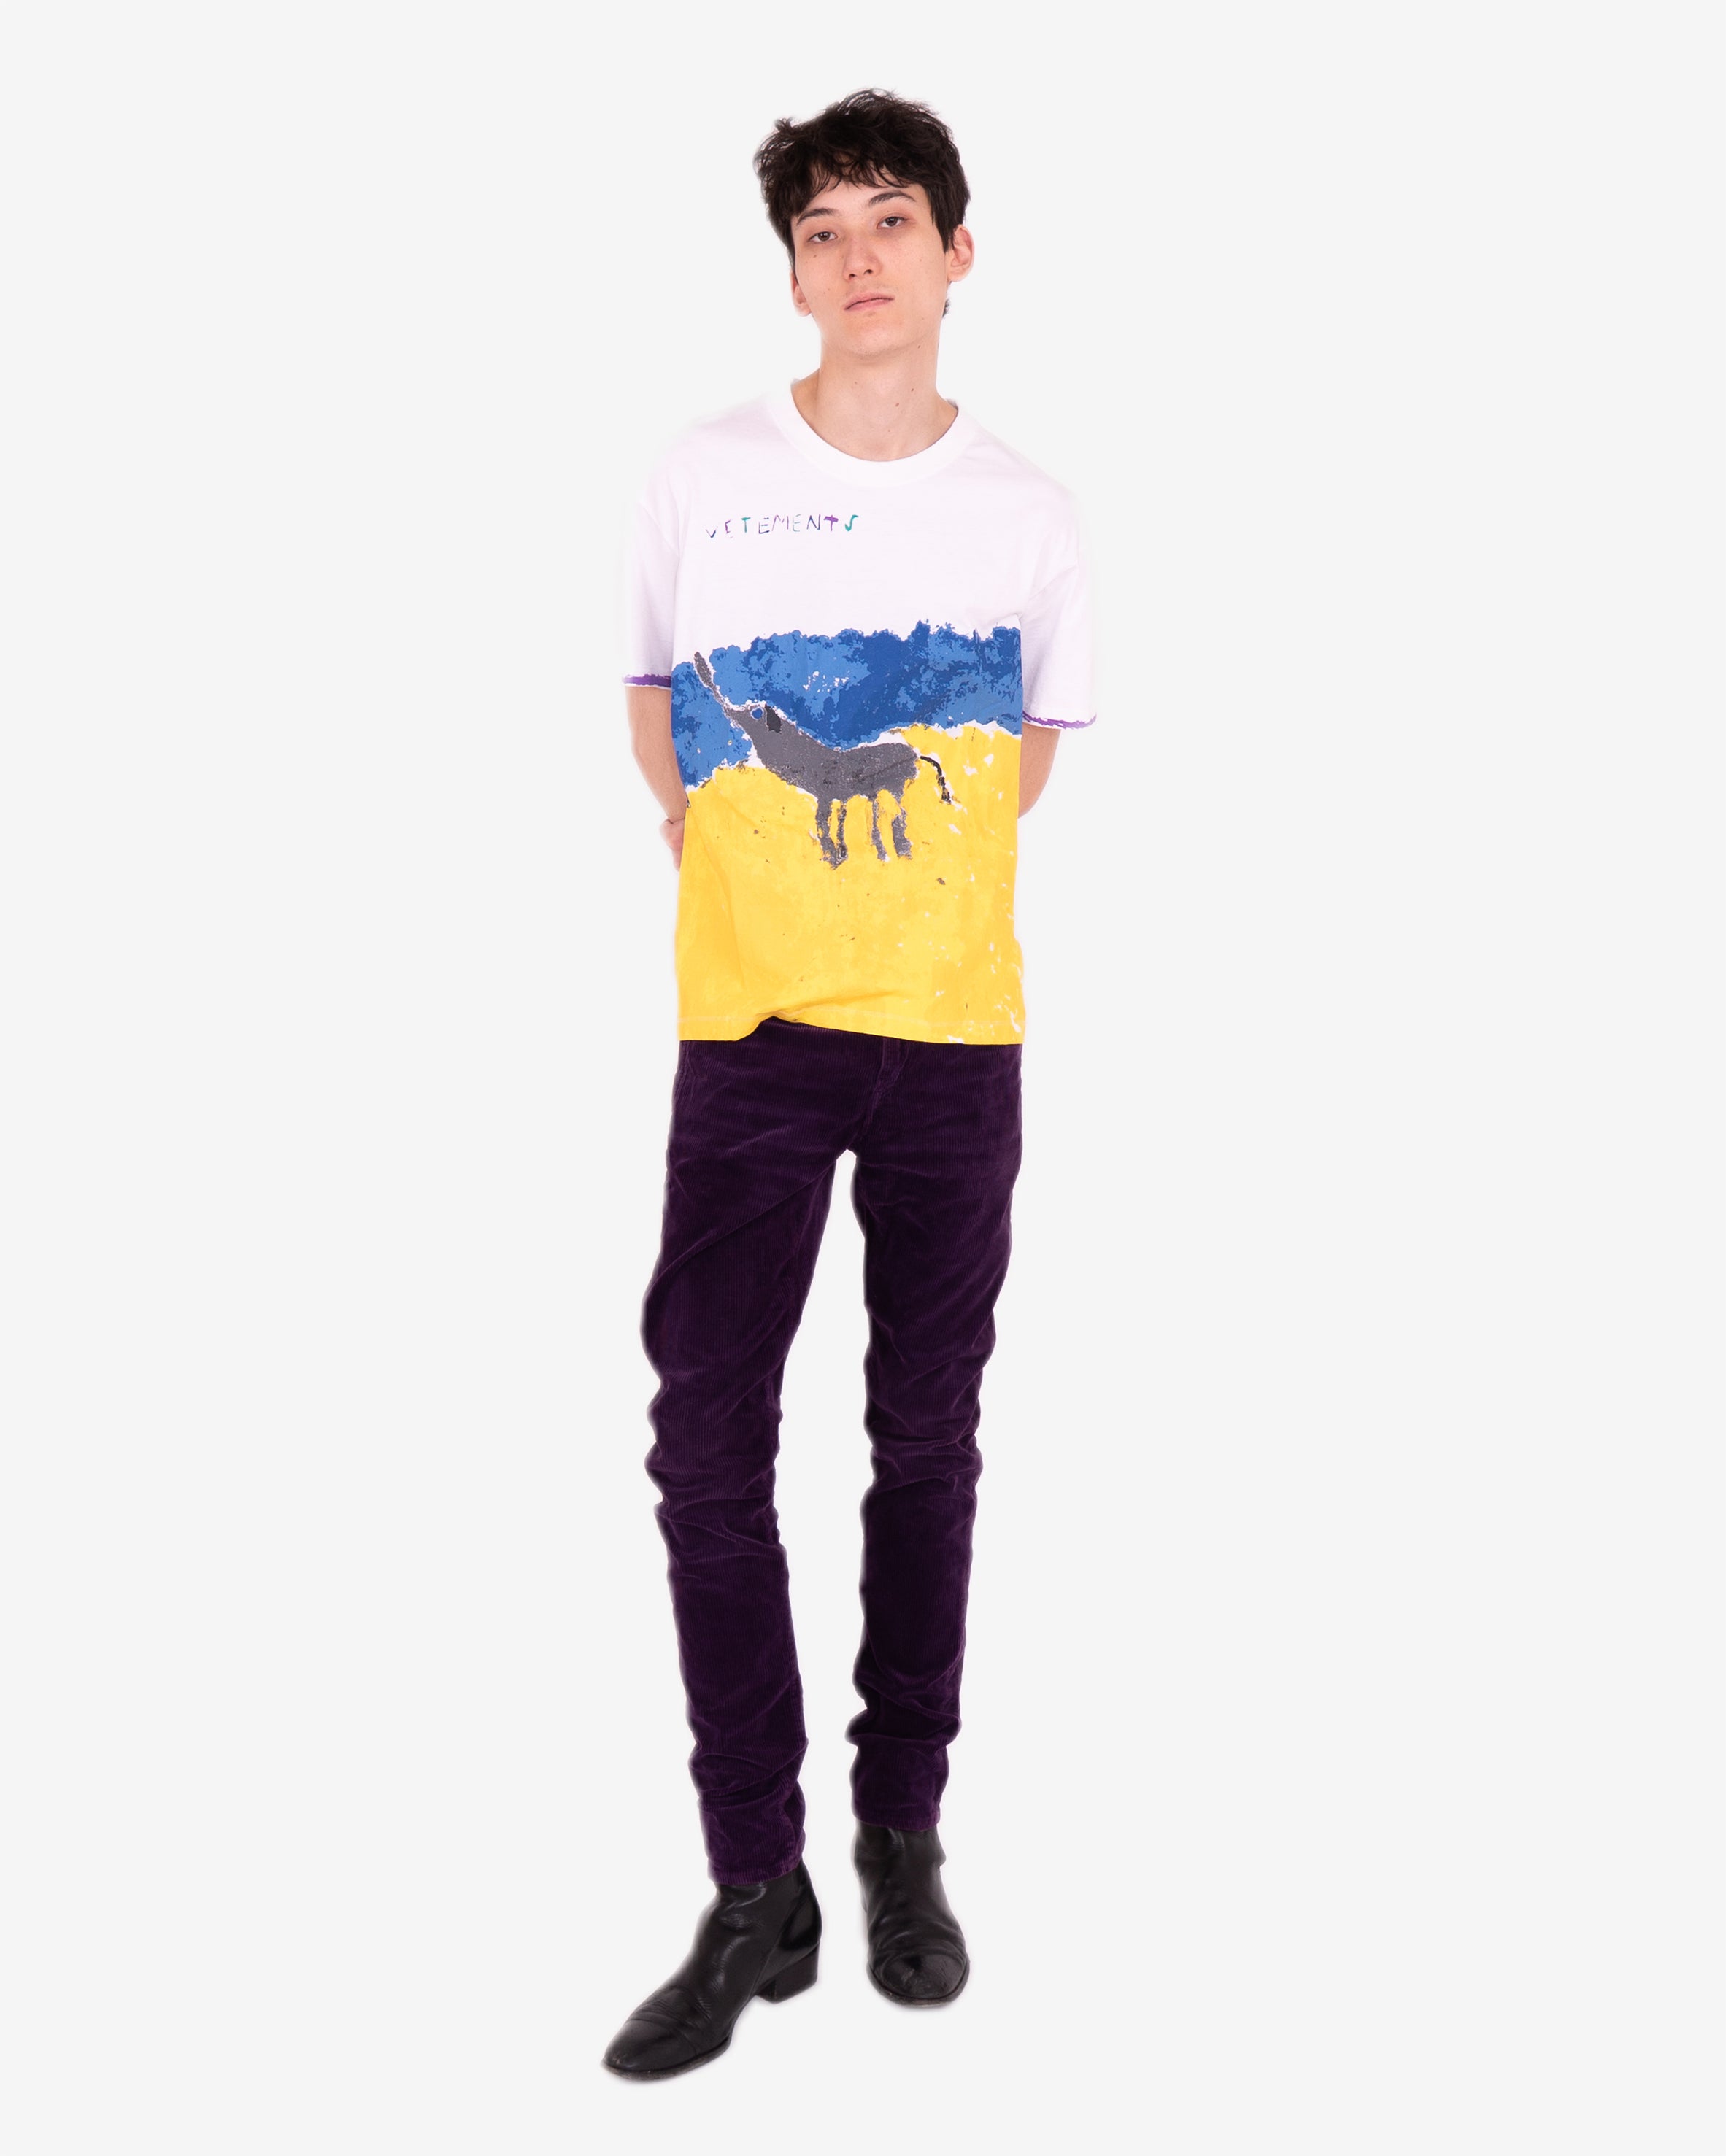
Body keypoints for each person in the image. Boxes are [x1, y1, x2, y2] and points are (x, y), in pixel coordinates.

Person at [604, 88, 1095, 2079]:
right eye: (824, 229)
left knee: (925, 1439)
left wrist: (884, 877)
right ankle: (757, 1879)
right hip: (751, 1037)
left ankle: (903, 1833)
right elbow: (655, 693)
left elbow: (1028, 751)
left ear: (956, 254)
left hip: (955, 1040)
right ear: (794, 272)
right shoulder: (703, 475)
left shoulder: (1029, 511)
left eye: (894, 219)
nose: (859, 255)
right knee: (708, 1447)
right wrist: (732, 853)